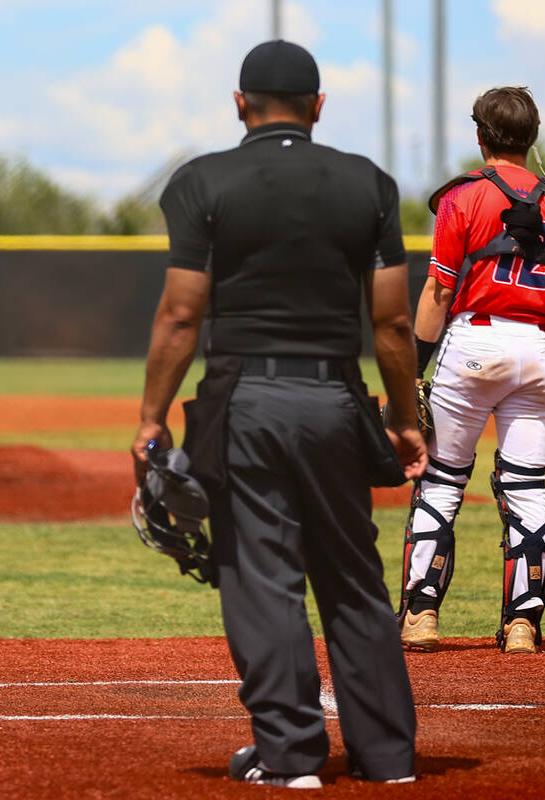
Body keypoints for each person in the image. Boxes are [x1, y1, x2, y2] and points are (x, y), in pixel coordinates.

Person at [132, 41, 427, 788]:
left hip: (246, 403)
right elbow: (392, 324)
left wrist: (151, 419)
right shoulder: (370, 183)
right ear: (318, 106)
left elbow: (179, 314)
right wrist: (406, 419)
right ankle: (389, 759)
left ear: (240, 105)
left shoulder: (202, 180)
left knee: (263, 582)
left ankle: (292, 758)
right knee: (354, 579)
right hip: (335, 399)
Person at [397, 87, 545, 655]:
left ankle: (422, 617)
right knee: (526, 486)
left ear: (480, 135)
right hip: (539, 349)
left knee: (442, 479)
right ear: (531, 140)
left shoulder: (465, 197)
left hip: (475, 344)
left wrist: (411, 369)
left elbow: (438, 288)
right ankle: (524, 626)